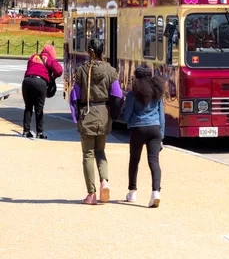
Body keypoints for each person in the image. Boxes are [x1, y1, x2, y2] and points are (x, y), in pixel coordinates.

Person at [70, 38, 123, 205]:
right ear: (103, 52)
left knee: (88, 154)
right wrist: (113, 114)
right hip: (104, 114)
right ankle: (104, 181)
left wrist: (76, 116)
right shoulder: (111, 70)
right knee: (101, 151)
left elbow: (75, 96)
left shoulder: (82, 70)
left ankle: (91, 194)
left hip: (88, 113)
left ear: (89, 51)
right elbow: (118, 94)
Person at [122, 65, 165, 208]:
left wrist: (128, 122)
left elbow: (127, 114)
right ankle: (155, 192)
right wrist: (162, 134)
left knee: (134, 160)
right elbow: (161, 116)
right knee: (154, 161)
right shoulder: (157, 93)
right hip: (155, 129)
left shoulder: (132, 94)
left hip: (138, 128)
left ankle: (132, 192)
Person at [22, 44, 63, 138]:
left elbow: (29, 68)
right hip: (40, 82)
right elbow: (59, 70)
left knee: (28, 107)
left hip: (27, 81)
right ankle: (39, 132)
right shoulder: (49, 58)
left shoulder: (33, 56)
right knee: (39, 108)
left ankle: (26, 131)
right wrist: (52, 77)